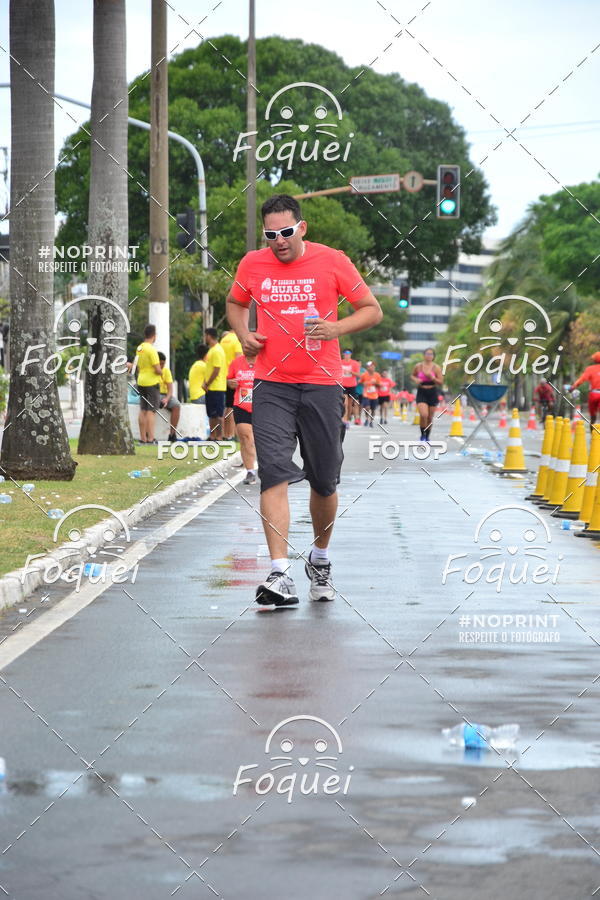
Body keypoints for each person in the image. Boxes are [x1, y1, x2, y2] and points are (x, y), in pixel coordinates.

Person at [226, 193, 382, 607]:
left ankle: (320, 557)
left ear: (302, 228)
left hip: (322, 383)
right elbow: (235, 302)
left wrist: (337, 328)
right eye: (271, 234)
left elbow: (371, 309)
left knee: (324, 479)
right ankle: (280, 574)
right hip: (271, 384)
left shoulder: (332, 260)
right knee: (273, 473)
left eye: (286, 232)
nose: (279, 241)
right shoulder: (252, 264)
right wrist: (244, 335)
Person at [227, 353, 257, 484]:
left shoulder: (266, 361)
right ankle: (250, 471)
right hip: (241, 405)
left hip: (262, 406)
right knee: (246, 438)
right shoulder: (236, 362)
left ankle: (268, 469)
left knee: (260, 440)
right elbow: (228, 380)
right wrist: (230, 383)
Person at [135, 324, 161, 444]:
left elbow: (138, 366)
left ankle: (143, 438)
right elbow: (157, 369)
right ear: (154, 335)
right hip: (151, 382)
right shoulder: (152, 350)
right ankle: (151, 438)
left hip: (141, 381)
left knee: (143, 409)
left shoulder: (139, 348)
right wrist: (161, 373)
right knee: (151, 410)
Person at [411, 348, 443, 441]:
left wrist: (432, 377)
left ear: (433, 356)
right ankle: (422, 435)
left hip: (432, 391)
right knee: (424, 414)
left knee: (429, 417)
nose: (429, 356)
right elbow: (412, 375)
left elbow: (440, 382)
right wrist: (416, 379)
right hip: (421, 391)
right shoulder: (418, 366)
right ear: (424, 355)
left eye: (431, 354)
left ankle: (427, 436)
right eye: (427, 354)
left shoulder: (436, 368)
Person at [203, 327, 227, 440]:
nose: (205, 338)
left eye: (205, 335)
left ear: (209, 336)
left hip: (217, 387)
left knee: (219, 414)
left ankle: (220, 436)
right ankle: (212, 435)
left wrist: (207, 383)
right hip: (210, 387)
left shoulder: (217, 350)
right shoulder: (211, 350)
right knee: (211, 413)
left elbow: (216, 370)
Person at [221, 329, 243, 440]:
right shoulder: (236, 340)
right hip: (235, 377)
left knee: (227, 406)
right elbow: (239, 358)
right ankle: (232, 434)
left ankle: (226, 433)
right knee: (235, 406)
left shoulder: (223, 340)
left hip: (224, 377)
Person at [571, 352, 600, 432]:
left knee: (593, 416)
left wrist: (573, 386)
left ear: (594, 360)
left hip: (594, 394)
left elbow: (582, 379)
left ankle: (593, 435)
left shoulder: (590, 369)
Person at [157, 351, 181, 441]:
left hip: (165, 394)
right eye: (160, 363)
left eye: (163, 364)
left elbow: (170, 389)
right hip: (155, 394)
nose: (162, 366)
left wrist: (167, 399)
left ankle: (172, 434)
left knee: (177, 405)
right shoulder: (152, 370)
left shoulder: (166, 371)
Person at [189, 343, 207, 436]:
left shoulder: (195, 365)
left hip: (194, 396)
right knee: (222, 403)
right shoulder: (204, 366)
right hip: (200, 396)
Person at [340, 348, 360, 427]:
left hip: (352, 385)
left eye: (348, 354)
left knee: (350, 405)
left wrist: (351, 372)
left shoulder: (354, 363)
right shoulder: (340, 362)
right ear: (343, 354)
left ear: (351, 354)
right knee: (345, 403)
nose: (347, 355)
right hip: (343, 385)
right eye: (345, 354)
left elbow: (358, 374)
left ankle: (348, 419)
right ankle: (345, 420)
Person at [360, 361, 381, 427]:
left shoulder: (377, 375)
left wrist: (375, 383)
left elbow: (379, 385)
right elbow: (360, 382)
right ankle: (366, 419)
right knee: (367, 407)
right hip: (366, 394)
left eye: (373, 366)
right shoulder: (364, 375)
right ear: (368, 367)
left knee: (373, 409)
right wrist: (364, 383)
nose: (372, 367)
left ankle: (371, 421)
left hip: (374, 395)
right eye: (371, 366)